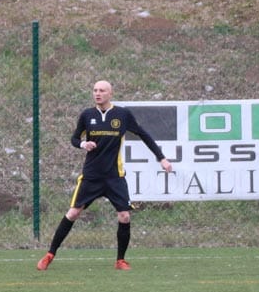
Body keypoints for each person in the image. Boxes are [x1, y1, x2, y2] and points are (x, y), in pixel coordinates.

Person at [37, 81, 173, 272]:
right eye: (95, 90)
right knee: (73, 213)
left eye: (102, 90)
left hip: (114, 176)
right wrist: (83, 144)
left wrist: (161, 158)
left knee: (124, 216)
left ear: (110, 94)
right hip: (91, 176)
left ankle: (120, 260)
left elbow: (143, 134)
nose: (97, 93)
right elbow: (74, 138)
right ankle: (49, 255)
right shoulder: (87, 115)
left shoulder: (122, 115)